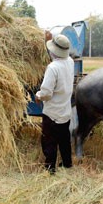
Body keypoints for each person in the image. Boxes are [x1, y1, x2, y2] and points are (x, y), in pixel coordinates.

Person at [35, 34, 75, 174]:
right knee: (64, 140)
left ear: (53, 51)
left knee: (49, 141)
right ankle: (67, 164)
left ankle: (50, 168)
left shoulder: (53, 68)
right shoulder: (70, 61)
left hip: (52, 113)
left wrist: (38, 95)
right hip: (65, 111)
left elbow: (46, 93)